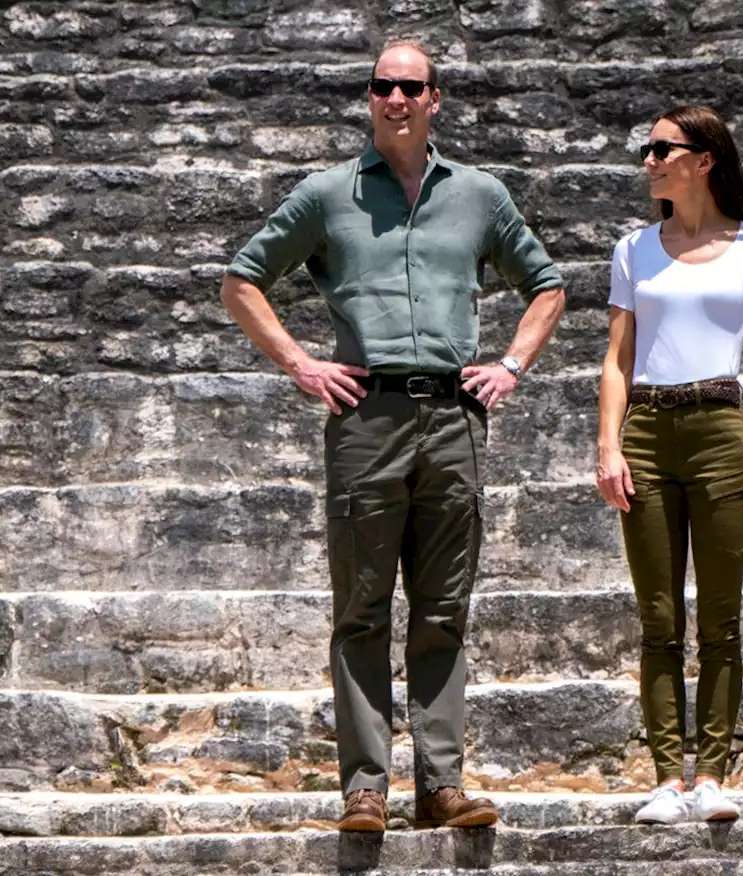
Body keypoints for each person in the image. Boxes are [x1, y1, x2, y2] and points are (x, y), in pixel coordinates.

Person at [220, 40, 566, 833]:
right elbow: (242, 279)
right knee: (364, 608)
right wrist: (303, 365)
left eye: (412, 86)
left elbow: (546, 284)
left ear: (435, 98)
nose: (397, 99)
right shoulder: (325, 195)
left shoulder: (480, 194)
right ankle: (365, 788)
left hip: (453, 419)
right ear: (370, 97)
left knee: (443, 608)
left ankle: (441, 785)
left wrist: (511, 363)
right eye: (383, 86)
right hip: (365, 417)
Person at [595, 105, 743, 824]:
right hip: (646, 428)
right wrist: (608, 445)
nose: (647, 161)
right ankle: (665, 778)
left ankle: (711, 773)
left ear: (703, 159)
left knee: (721, 617)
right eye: (645, 150)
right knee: (656, 618)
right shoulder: (633, 249)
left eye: (660, 149)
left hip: (719, 428)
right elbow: (616, 360)